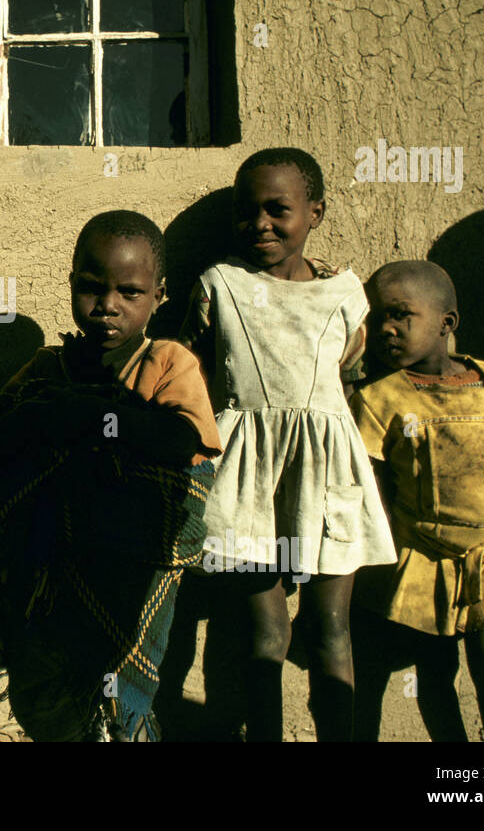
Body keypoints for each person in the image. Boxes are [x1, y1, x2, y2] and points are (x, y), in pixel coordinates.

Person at [0, 210, 222, 741]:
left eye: (129, 292)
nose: (107, 305)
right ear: (71, 286)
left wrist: (85, 417)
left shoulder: (168, 362)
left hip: (129, 566)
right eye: (91, 287)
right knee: (44, 687)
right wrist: (51, 412)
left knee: (113, 700)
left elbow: (186, 448)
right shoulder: (46, 368)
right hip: (48, 573)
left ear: (159, 296)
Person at [179, 147, 396, 741]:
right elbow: (188, 375)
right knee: (264, 633)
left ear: (316, 213)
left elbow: (351, 389)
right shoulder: (218, 287)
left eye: (279, 209)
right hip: (248, 477)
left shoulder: (348, 296)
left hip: (328, 477)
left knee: (331, 631)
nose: (261, 225)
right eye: (247, 213)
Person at [349, 261, 484, 741]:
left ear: (447, 323)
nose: (386, 328)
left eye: (401, 315)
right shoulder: (381, 400)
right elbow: (364, 476)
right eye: (377, 316)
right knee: (433, 672)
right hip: (423, 556)